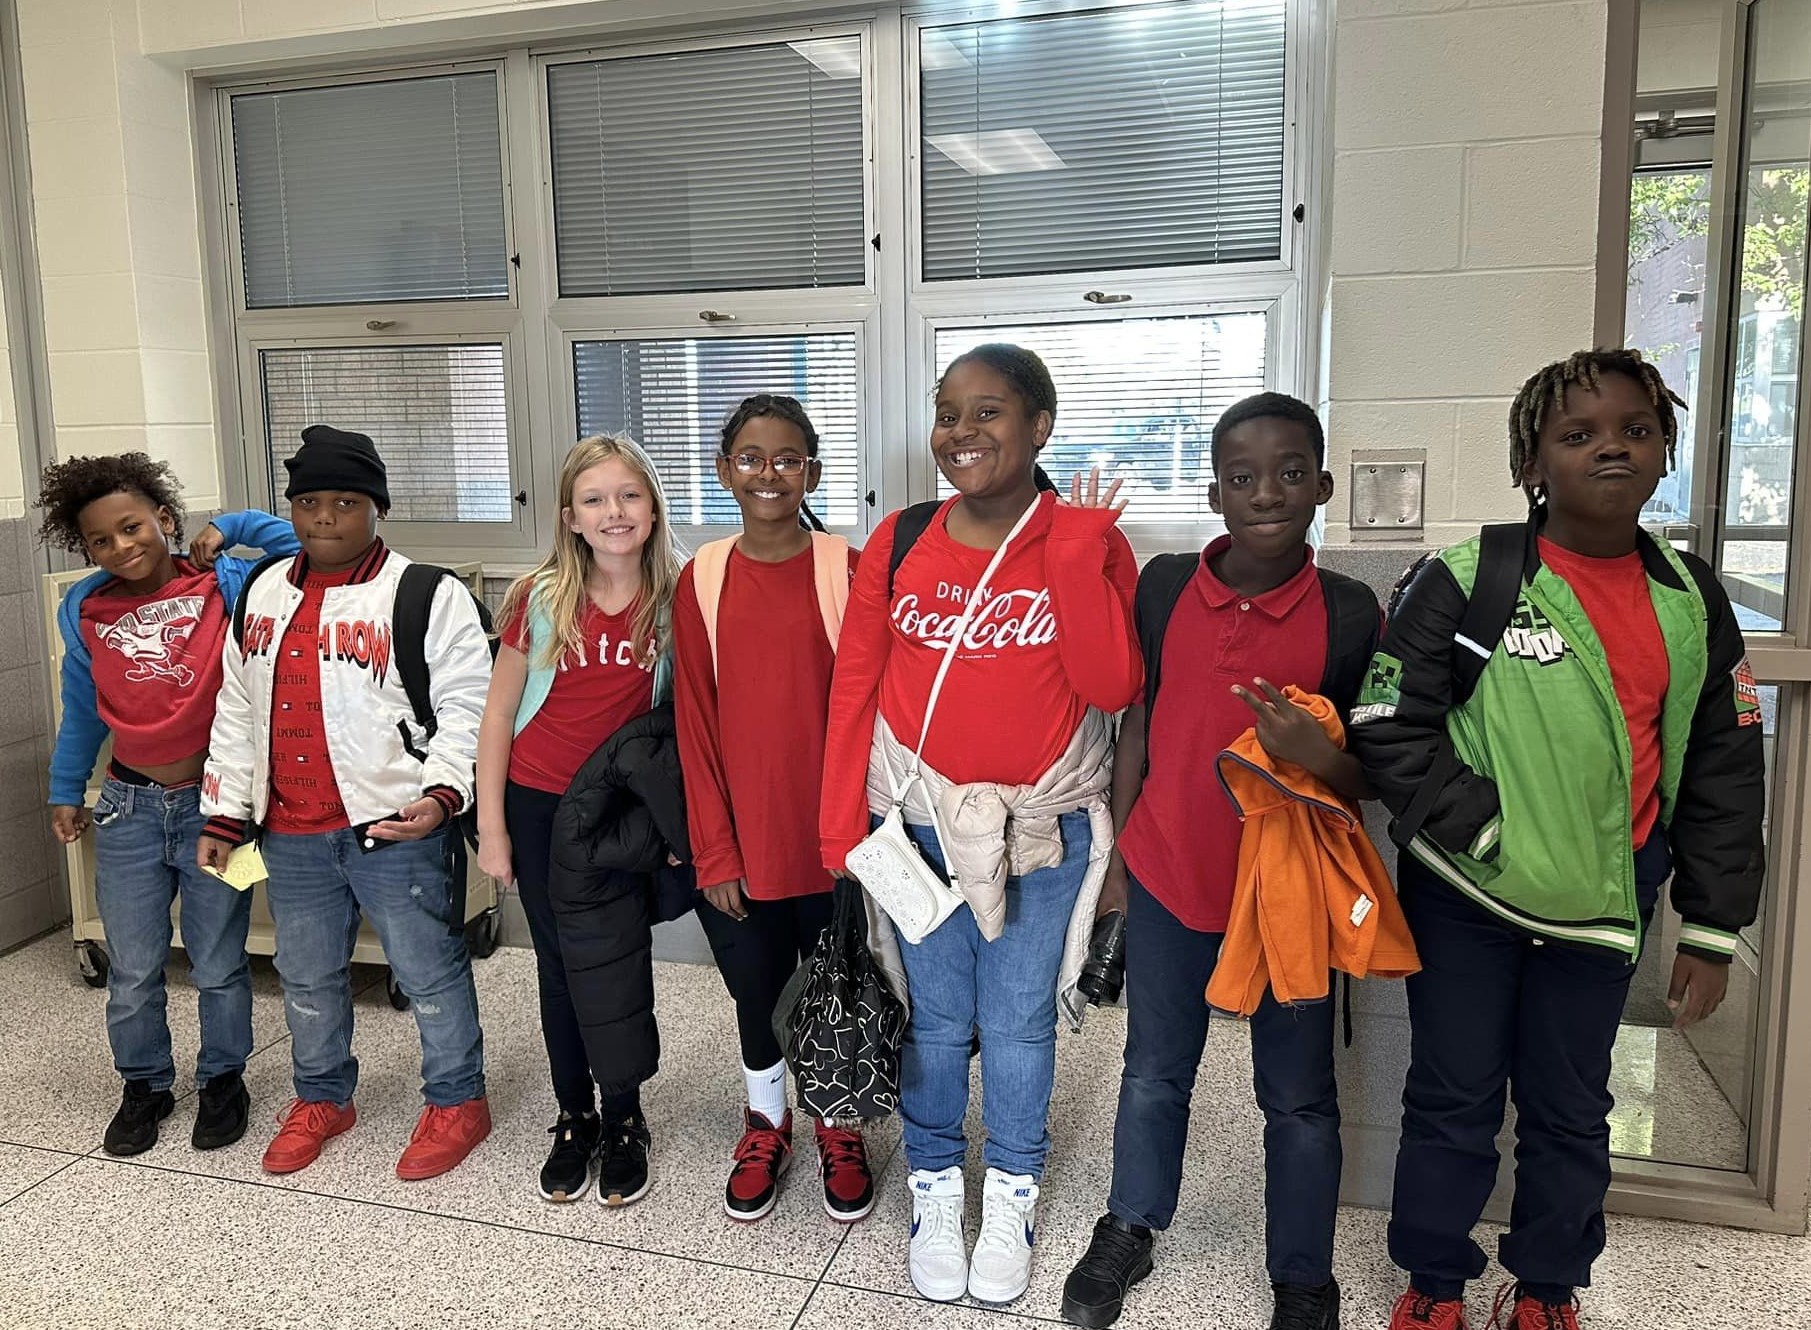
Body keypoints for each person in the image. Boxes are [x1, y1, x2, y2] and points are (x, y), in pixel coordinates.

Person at [1350, 350, 1766, 1330]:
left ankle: (1543, 1290)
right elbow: (1378, 720)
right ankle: (1434, 1286)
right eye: (1576, 435)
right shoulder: (1466, 576)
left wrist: (1710, 927)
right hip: (1466, 898)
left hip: (1600, 906)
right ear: (1532, 464)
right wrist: (1482, 828)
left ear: (1663, 448)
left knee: (1571, 1113)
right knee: (1449, 1099)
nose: (1608, 447)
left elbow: (1721, 769)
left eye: (1632, 428)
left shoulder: (1692, 600)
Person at [821, 344, 1141, 1305]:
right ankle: (932, 1180)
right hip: (917, 827)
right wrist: (839, 815)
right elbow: (856, 682)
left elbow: (1112, 685)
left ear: (1040, 425)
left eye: (987, 412)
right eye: (947, 412)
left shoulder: (1087, 538)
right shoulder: (904, 536)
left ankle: (1011, 1189)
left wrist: (1078, 559)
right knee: (934, 1019)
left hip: (1038, 835)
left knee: (1014, 1024)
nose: (960, 432)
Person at [1060, 393, 1384, 1330]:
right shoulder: (1164, 586)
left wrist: (1310, 751)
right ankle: (1129, 1225)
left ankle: (1302, 1276)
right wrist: (1121, 859)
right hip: (1169, 877)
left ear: (1322, 484)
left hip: (1288, 894)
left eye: (1290, 473)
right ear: (1214, 492)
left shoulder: (1349, 613)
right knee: (1154, 1069)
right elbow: (1137, 731)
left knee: (1295, 1095)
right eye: (1241, 478)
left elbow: (1373, 776)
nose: (1267, 493)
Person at [198, 424, 493, 1182]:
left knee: (427, 970)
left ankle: (457, 1099)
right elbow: (236, 708)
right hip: (291, 832)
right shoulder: (262, 590)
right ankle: (323, 1095)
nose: (323, 517)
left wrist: (442, 793)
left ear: (376, 509)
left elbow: (467, 705)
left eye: (344, 502)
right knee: (306, 974)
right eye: (307, 501)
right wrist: (227, 813)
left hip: (393, 825)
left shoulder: (426, 592)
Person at [40, 453, 299, 1157]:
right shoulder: (88, 613)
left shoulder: (225, 583)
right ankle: (146, 1084)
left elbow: (299, 550)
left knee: (219, 960)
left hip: (220, 810)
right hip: (127, 808)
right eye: (101, 540)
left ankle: (222, 1079)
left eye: (133, 527)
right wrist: (67, 791)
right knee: (132, 968)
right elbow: (83, 716)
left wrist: (233, 527)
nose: (122, 547)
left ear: (165, 519)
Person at [673, 394, 872, 1224]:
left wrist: (856, 842)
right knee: (756, 993)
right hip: (742, 851)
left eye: (786, 459)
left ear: (812, 473)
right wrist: (715, 852)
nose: (768, 473)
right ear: (725, 472)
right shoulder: (704, 577)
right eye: (750, 459)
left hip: (832, 845)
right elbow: (694, 723)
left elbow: (870, 713)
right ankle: (766, 1119)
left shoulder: (846, 568)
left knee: (837, 989)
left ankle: (836, 1120)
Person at [476, 433, 681, 1207]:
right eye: (594, 499)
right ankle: (576, 1115)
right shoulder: (540, 598)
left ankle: (627, 1116)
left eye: (629, 495)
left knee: (616, 963)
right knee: (559, 970)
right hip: (537, 804)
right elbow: (498, 717)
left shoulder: (676, 597)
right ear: (568, 516)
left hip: (619, 813)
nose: (614, 512)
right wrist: (491, 829)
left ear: (653, 506)